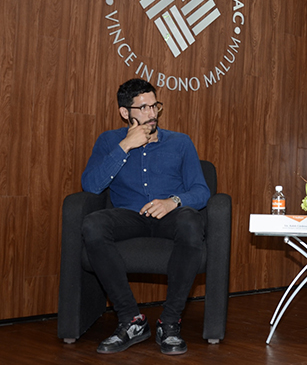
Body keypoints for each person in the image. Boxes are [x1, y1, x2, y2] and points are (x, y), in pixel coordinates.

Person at [81, 78, 211, 355]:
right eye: (143, 108)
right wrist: (124, 146)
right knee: (93, 224)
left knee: (191, 221)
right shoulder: (108, 141)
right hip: (130, 217)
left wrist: (173, 202)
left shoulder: (180, 142)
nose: (152, 113)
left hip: (171, 218)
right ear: (125, 112)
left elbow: (201, 191)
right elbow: (91, 185)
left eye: (155, 106)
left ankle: (170, 322)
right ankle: (131, 320)